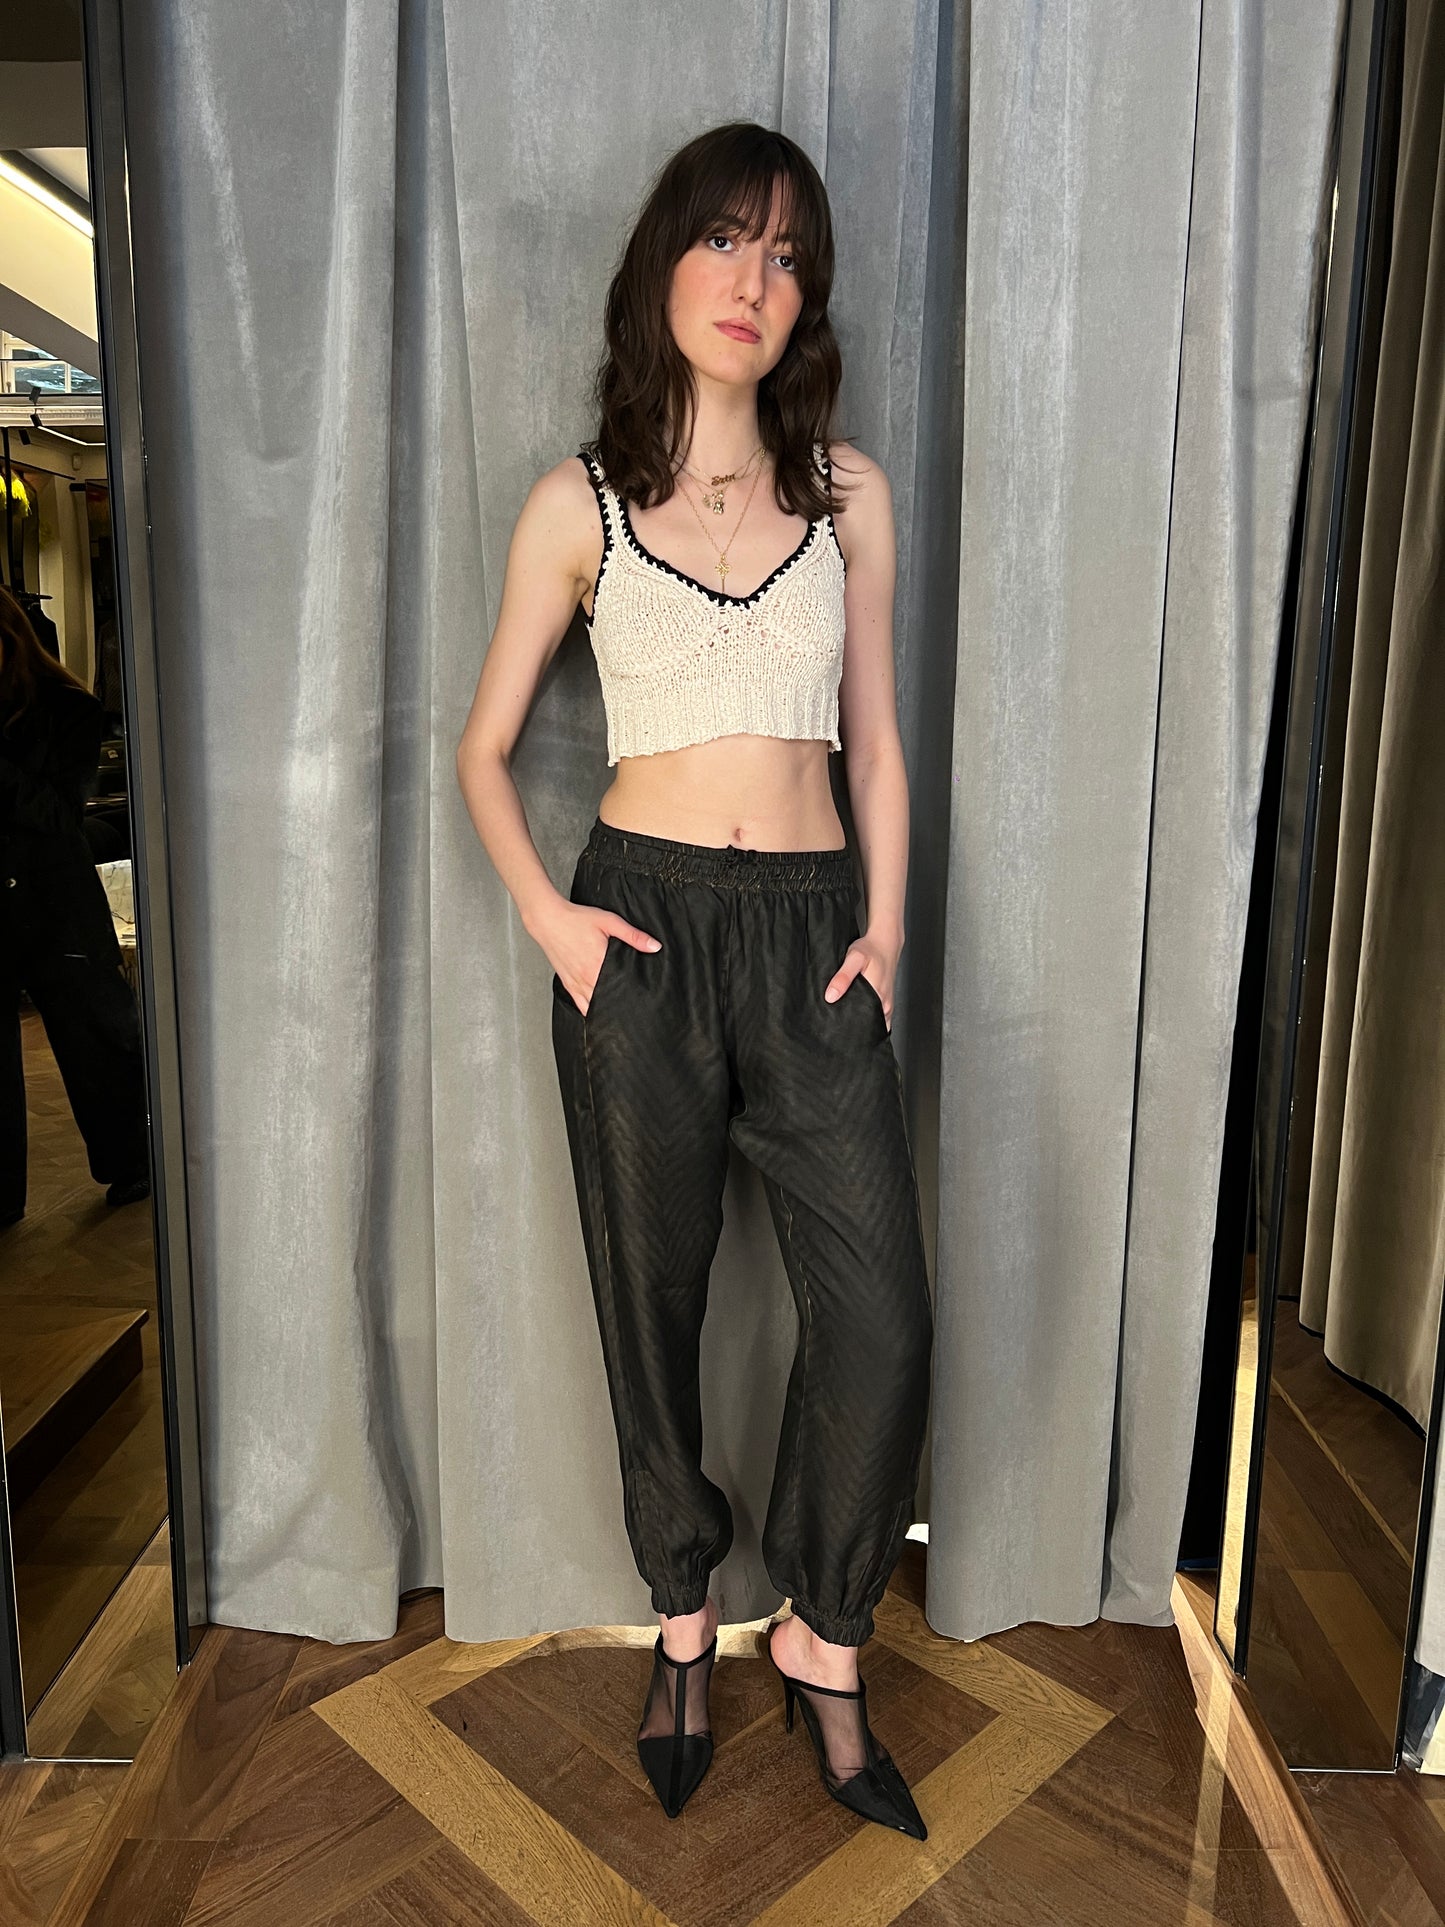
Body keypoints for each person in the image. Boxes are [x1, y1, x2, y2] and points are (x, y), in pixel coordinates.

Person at [456, 122, 933, 1838]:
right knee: (646, 1295)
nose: (753, 280)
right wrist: (556, 922)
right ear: (663, 260)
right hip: (639, 933)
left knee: (880, 1319)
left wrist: (887, 928)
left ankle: (819, 1627)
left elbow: (875, 741)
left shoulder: (845, 496)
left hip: (813, 933)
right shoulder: (575, 505)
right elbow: (482, 748)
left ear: (808, 299)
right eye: (726, 239)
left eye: (787, 255)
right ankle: (681, 1612)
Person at [0, 582, 150, 1225]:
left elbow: (61, 817)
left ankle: (132, 1160)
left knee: (96, 1039)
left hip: (56, 902)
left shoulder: (69, 709)